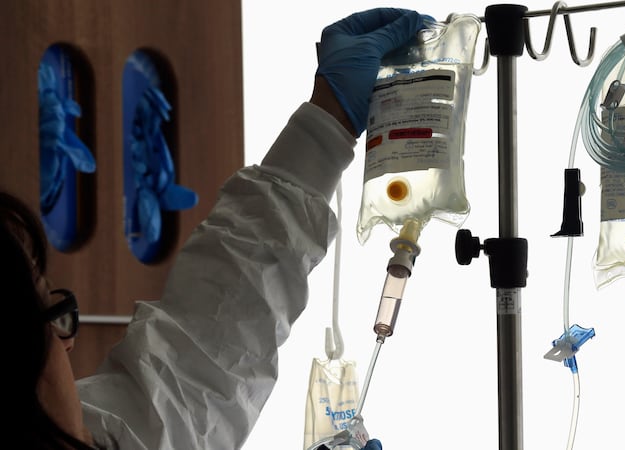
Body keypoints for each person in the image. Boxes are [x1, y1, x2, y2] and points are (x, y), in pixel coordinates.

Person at [5, 7, 430, 449]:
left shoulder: (100, 432)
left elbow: (191, 382)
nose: (67, 348)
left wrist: (327, 122)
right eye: (48, 322)